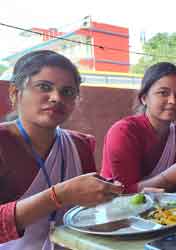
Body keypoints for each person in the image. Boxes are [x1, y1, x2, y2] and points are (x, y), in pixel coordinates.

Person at [0, 50, 123, 249]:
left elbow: (89, 211)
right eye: (44, 87)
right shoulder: (3, 144)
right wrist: (58, 196)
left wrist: (120, 200)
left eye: (67, 91)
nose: (56, 97)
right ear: (15, 92)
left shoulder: (80, 144)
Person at [101, 62, 176, 193]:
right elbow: (124, 193)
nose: (173, 101)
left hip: (169, 211)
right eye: (163, 93)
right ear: (144, 98)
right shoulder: (124, 132)